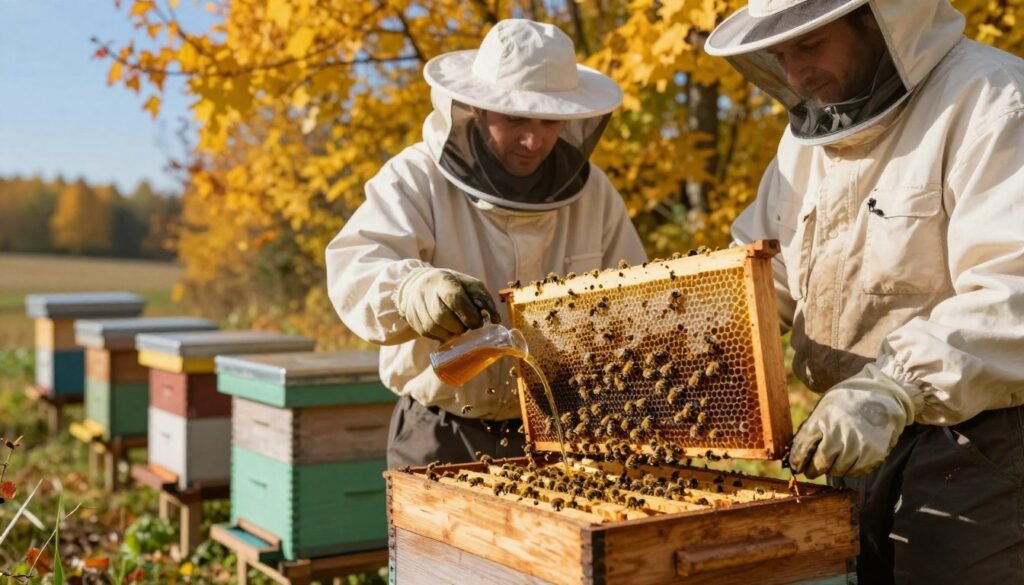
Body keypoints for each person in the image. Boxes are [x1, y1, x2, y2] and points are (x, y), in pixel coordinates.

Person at [705, 0, 1024, 582]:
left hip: (978, 446)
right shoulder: (805, 140)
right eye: (781, 54)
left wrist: (895, 386)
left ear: (879, 22)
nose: (796, 74)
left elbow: (1013, 287)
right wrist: (696, 340)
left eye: (809, 46)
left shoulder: (992, 99)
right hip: (850, 442)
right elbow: (765, 274)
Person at [326, 19, 647, 470]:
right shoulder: (415, 178)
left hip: (564, 434)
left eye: (550, 120)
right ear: (476, 108)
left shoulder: (594, 195)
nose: (533, 140)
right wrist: (408, 289)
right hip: (442, 429)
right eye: (515, 118)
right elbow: (356, 266)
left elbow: (636, 302)